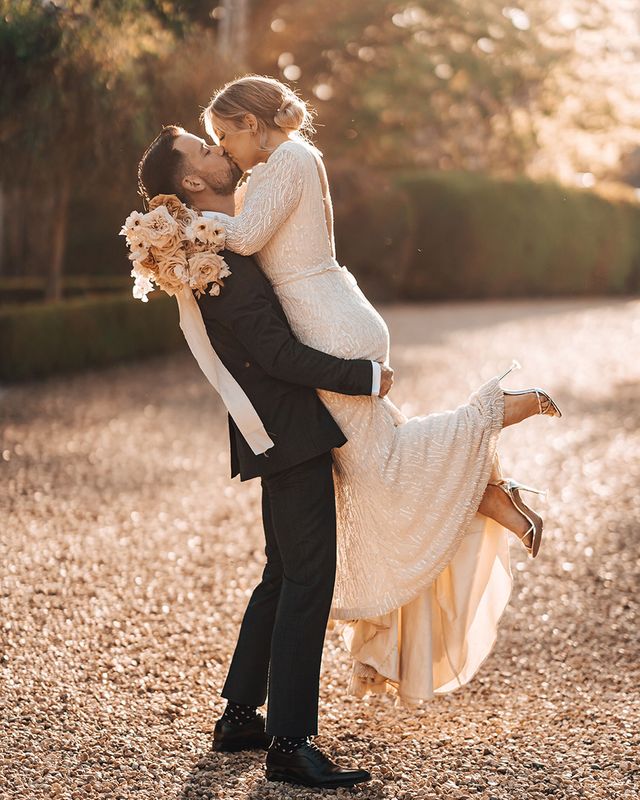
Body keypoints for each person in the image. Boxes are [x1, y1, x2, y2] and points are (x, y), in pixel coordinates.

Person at [196, 75, 562, 709]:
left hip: (329, 329)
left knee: (381, 466)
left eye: (227, 136)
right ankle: (487, 492)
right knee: (375, 465)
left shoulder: (288, 158)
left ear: (254, 124)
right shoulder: (285, 163)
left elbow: (246, 239)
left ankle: (491, 416)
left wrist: (179, 225)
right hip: (337, 316)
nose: (226, 151)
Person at [138, 127, 393, 789]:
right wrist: (362, 376)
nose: (220, 150)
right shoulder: (215, 257)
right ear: (193, 181)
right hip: (287, 431)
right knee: (308, 580)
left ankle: (239, 718)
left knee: (282, 574)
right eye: (206, 148)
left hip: (274, 429)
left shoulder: (215, 243)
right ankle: (289, 742)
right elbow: (275, 354)